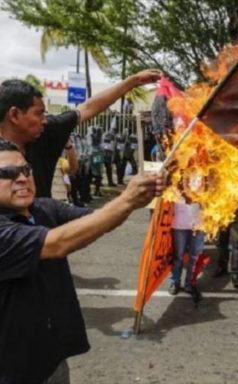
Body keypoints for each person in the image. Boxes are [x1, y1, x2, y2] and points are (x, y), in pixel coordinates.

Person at [0, 139, 165, 383]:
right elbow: (56, 243)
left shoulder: (43, 208)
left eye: (26, 170)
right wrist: (127, 200)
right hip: (12, 368)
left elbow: (98, 220)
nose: (22, 178)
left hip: (50, 358)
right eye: (8, 174)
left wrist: (136, 196)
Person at [0, 69, 162, 197]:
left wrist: (132, 82)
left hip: (44, 234)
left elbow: (87, 108)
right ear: (14, 115)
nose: (44, 120)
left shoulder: (47, 132)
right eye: (38, 113)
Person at [213, 201, 238, 289]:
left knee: (237, 244)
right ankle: (222, 266)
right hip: (222, 212)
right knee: (221, 242)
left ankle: (235, 273)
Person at [168, 201, 205, 295]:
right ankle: (175, 282)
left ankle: (190, 284)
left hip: (198, 225)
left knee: (195, 257)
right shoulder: (176, 186)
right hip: (179, 224)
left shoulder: (204, 185)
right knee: (178, 256)